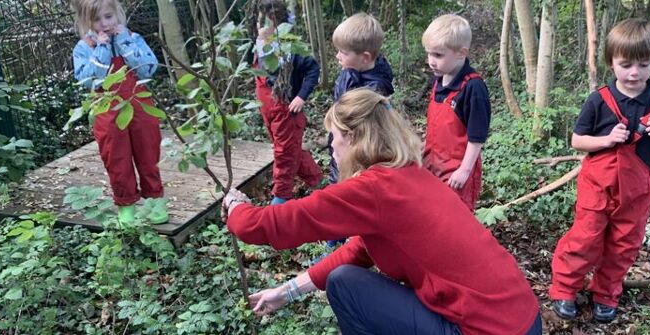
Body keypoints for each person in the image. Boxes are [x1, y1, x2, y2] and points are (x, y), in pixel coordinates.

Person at [223, 88, 542, 335]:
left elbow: (272, 225)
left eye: (333, 137)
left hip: (485, 329)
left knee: (344, 284)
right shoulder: (410, 175)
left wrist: (236, 206)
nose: (331, 147)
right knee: (344, 274)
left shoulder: (373, 189)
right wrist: (287, 292)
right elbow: (361, 249)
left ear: (351, 138)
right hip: (523, 320)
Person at [548, 18, 650, 323]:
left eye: (643, 64)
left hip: (636, 190)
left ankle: (606, 294)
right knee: (585, 237)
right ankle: (564, 288)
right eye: (625, 65)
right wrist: (607, 139)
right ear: (611, 63)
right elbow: (577, 140)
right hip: (597, 185)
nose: (634, 72)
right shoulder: (598, 101)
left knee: (625, 243)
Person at [71, 0, 167, 224]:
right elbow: (90, 81)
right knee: (116, 155)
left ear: (117, 15)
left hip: (140, 104)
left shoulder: (133, 38)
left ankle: (155, 199)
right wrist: (103, 49)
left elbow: (148, 68)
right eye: (97, 19)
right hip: (107, 109)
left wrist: (124, 42)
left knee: (148, 150)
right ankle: (126, 203)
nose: (104, 24)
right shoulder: (84, 48)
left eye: (108, 17)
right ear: (87, 21)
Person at [324, 12, 395, 248]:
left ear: (365, 57)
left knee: (349, 197)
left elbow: (348, 113)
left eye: (343, 53)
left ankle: (345, 244)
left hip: (358, 152)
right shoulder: (353, 73)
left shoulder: (374, 88)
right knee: (338, 193)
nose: (337, 56)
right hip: (341, 147)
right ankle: (335, 241)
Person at [255, 0, 323, 205]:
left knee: (284, 153)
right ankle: (319, 183)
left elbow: (312, 69)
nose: (259, 27)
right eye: (258, 22)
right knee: (292, 149)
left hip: (286, 111)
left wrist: (301, 96)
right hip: (268, 110)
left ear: (277, 26)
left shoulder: (291, 49)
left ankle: (281, 197)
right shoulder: (260, 44)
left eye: (264, 23)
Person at [421, 14, 491, 211]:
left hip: (456, 170)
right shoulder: (438, 80)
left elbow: (477, 136)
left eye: (438, 55)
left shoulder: (473, 87)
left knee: (455, 217)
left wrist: (464, 170)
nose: (431, 61)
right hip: (432, 165)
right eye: (429, 54)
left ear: (461, 53)